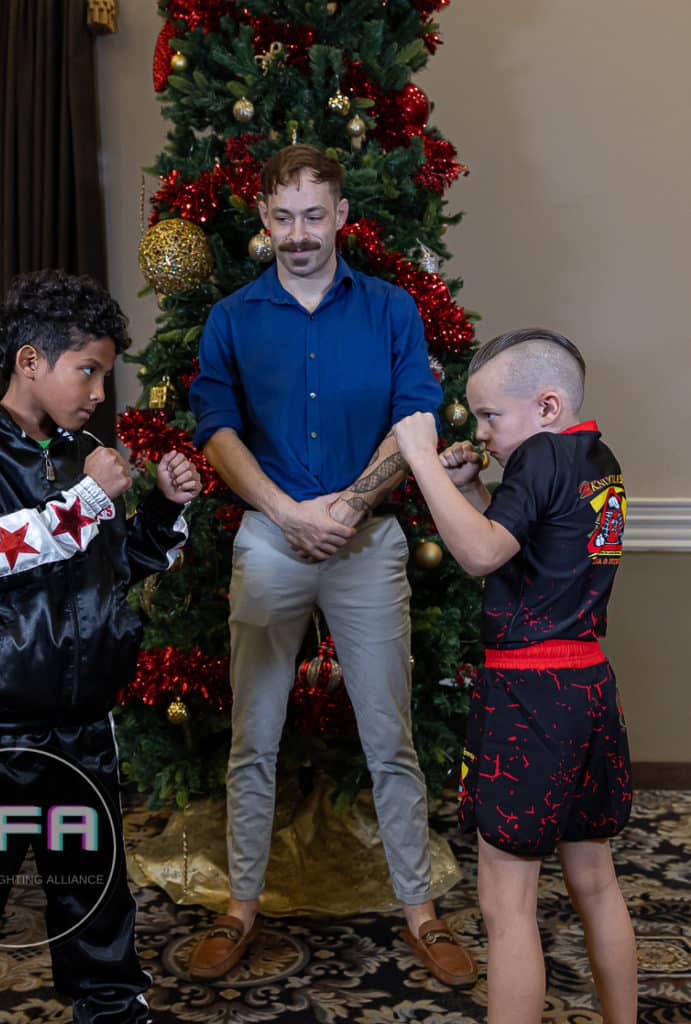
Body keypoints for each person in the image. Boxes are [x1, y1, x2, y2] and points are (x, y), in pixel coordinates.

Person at [0, 269, 201, 1024]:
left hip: (84, 732)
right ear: (30, 361)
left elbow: (120, 567)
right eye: (86, 370)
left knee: (95, 906)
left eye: (104, 375)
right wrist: (86, 498)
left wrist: (161, 506)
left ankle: (115, 1012)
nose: (96, 391)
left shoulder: (79, 450)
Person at [187, 143, 477, 987]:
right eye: (282, 217)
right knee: (254, 739)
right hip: (269, 543)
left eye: (314, 215)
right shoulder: (233, 317)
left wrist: (348, 507)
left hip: (368, 541)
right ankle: (239, 907)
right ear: (263, 219)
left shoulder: (389, 309)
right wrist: (285, 513)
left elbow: (416, 417)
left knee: (391, 738)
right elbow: (213, 424)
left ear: (342, 215)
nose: (298, 233)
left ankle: (419, 913)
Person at [393, 328, 637, 1023]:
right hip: (589, 685)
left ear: (548, 405)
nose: (486, 432)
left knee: (505, 904)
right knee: (594, 881)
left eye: (492, 415)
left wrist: (423, 463)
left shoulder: (535, 459)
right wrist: (473, 490)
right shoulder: (596, 459)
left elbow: (476, 557)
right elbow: (526, 561)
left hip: (531, 695)